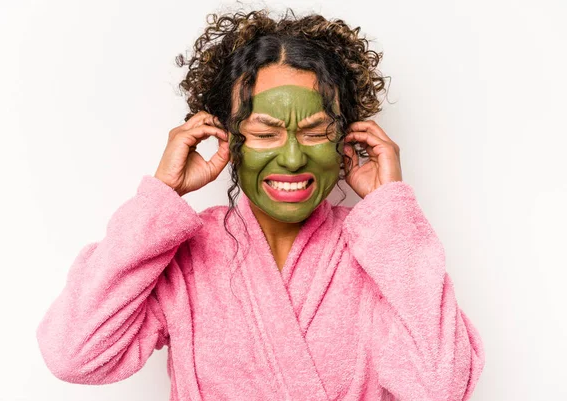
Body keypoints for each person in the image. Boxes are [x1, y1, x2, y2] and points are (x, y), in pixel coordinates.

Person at [36, 8, 485, 401]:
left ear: (345, 141)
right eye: (265, 134)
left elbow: (442, 387)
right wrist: (161, 194)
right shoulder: (183, 253)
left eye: (314, 131)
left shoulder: (378, 253)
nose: (291, 159)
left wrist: (392, 213)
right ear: (228, 140)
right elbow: (74, 354)